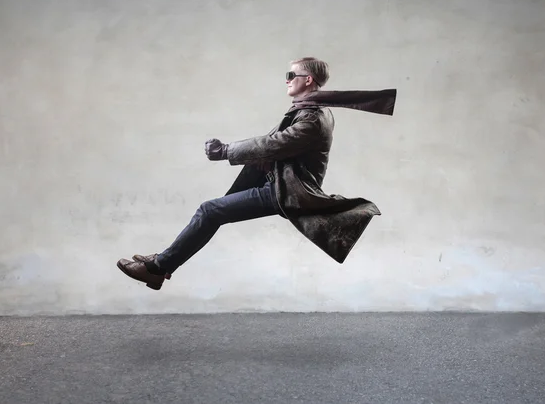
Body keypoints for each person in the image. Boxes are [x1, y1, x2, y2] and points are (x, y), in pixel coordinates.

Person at [117, 57, 396, 290]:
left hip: (288, 191)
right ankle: (161, 264)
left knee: (209, 211)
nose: (287, 79)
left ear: (308, 79)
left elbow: (275, 143)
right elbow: (273, 142)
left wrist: (226, 151)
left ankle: (158, 268)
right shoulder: (306, 110)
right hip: (280, 184)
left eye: (292, 74)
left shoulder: (312, 117)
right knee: (213, 213)